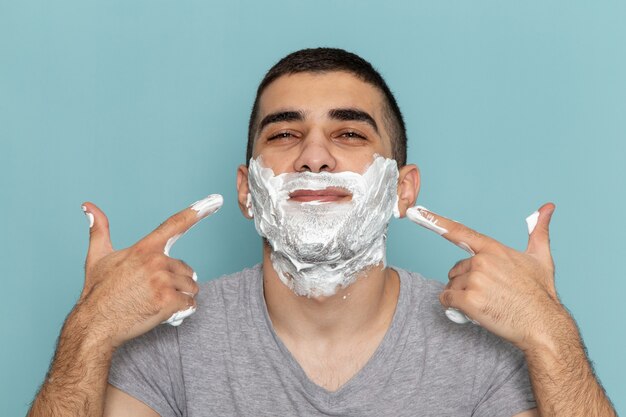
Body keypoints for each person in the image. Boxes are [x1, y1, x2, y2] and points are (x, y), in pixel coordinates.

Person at [28, 48, 616, 417]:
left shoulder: (482, 349)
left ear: (402, 190)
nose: (314, 156)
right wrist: (91, 328)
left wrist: (548, 332)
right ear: (247, 189)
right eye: (283, 135)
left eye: (351, 135)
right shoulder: (169, 343)